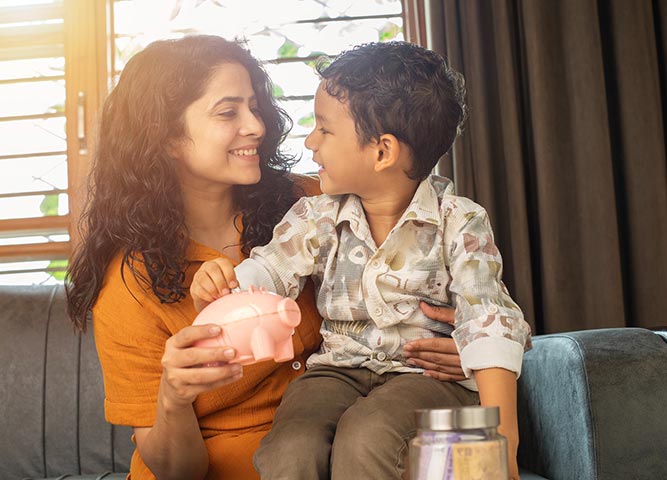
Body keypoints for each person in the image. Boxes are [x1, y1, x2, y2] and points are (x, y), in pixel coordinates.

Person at [65, 35, 464, 480]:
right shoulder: (129, 284)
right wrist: (173, 398)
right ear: (166, 137)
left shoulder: (317, 203)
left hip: (356, 447)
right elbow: (178, 471)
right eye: (228, 111)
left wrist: (461, 343)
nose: (255, 125)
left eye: (254, 107)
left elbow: (454, 279)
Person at [191, 41, 532, 480]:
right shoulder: (315, 216)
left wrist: (503, 439)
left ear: (382, 152)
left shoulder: (459, 222)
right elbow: (271, 269)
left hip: (428, 379)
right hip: (336, 373)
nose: (310, 142)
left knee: (367, 435)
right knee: (290, 447)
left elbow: (489, 318)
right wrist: (227, 288)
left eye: (325, 130)